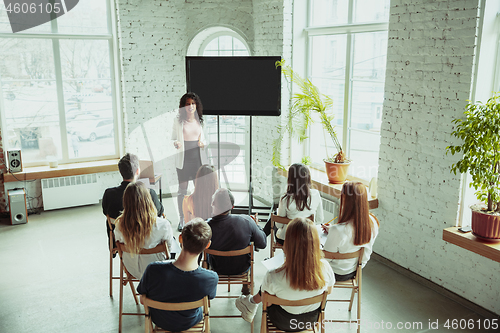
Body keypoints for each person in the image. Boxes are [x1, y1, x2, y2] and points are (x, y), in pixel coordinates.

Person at [236, 217, 334, 331]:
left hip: (282, 322)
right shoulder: (325, 267)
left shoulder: (273, 274)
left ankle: (251, 303)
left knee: (269, 292)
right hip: (311, 320)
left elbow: (267, 303)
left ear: (288, 242)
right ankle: (251, 303)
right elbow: (329, 291)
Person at [137, 218, 218, 332]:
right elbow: (208, 299)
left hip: (160, 321)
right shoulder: (210, 278)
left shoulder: (153, 269)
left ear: (180, 238)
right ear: (207, 245)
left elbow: (142, 299)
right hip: (190, 322)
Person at [102, 153, 164, 252]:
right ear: (138, 171)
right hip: (147, 241)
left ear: (120, 171)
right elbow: (159, 211)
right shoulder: (149, 193)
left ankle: (113, 247)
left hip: (123, 241)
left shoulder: (109, 194)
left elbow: (106, 212)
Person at [113, 182, 175, 279]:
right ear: (148, 200)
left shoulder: (119, 225)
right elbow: (169, 249)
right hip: (158, 269)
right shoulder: (163, 224)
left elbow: (119, 244)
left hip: (132, 269)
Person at [322, 181, 380, 281]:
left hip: (335, 273)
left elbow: (326, 260)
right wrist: (332, 231)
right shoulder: (373, 222)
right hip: (356, 270)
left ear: (346, 200)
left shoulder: (338, 230)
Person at [207, 188, 266, 277]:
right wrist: (256, 225)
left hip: (217, 268)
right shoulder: (246, 221)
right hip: (242, 268)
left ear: (212, 203)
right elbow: (262, 243)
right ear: (232, 207)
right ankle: (246, 285)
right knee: (250, 241)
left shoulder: (205, 227)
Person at [172, 92, 208, 231]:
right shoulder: (178, 121)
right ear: (183, 106)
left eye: (193, 103)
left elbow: (204, 139)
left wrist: (202, 143)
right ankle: (182, 219)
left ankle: (198, 217)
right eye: (188, 104)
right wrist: (176, 143)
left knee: (198, 191)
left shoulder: (200, 120)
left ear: (196, 105)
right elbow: (173, 138)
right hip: (183, 160)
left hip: (197, 159)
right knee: (182, 191)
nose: (190, 106)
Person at [264, 163, 324, 244]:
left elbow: (279, 225)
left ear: (291, 179)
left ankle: (261, 237)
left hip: (288, 240)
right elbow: (319, 219)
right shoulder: (316, 194)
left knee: (274, 217)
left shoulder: (285, 198)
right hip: (307, 238)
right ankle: (261, 237)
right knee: (275, 215)